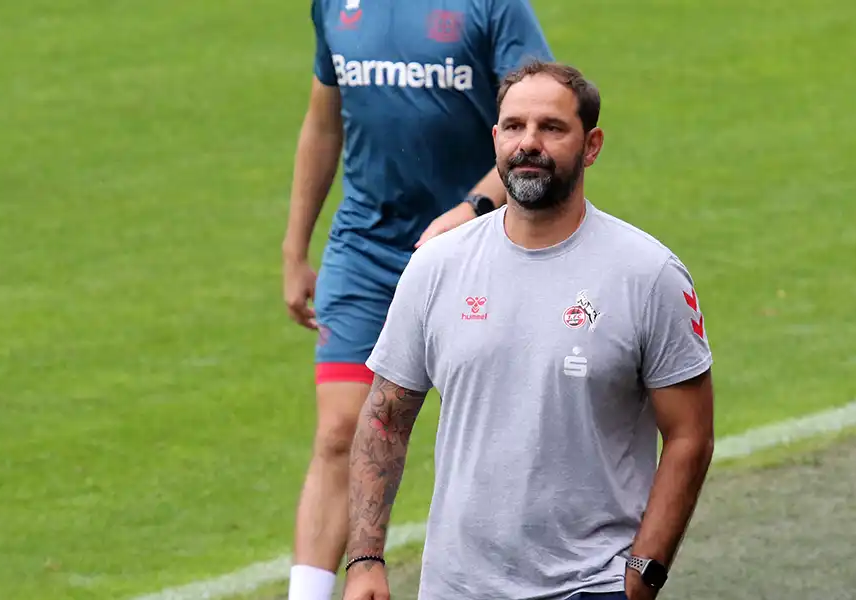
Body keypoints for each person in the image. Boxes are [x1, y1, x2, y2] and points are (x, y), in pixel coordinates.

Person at [342, 60, 717, 600]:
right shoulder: (436, 267)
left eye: (552, 128)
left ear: (591, 146)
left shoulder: (648, 274)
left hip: (591, 586)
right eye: (515, 127)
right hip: (456, 589)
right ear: (495, 139)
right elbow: (384, 421)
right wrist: (364, 560)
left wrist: (642, 577)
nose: (529, 143)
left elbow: (689, 437)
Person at [281, 1, 554, 598]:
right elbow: (324, 123)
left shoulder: (492, 7)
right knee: (339, 431)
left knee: (500, 436)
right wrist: (296, 247)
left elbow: (542, 123)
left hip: (477, 245)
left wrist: (471, 211)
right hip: (366, 249)